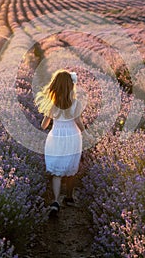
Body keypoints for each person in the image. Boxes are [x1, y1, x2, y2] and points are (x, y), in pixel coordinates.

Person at [35, 69, 93, 216]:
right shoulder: (76, 103)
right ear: (71, 86)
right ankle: (69, 197)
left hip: (56, 137)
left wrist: (48, 116)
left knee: (57, 172)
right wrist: (86, 134)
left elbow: (43, 125)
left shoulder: (52, 105)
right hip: (73, 137)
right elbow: (78, 122)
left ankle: (55, 201)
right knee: (72, 169)